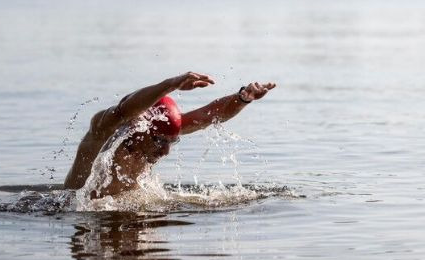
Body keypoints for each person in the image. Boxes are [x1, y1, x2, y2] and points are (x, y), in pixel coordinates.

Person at [63, 72, 275, 198]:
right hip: (79, 218)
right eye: (159, 141)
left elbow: (209, 115)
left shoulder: (158, 130)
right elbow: (124, 109)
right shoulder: (105, 130)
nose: (165, 152)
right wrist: (170, 85)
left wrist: (243, 98)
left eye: (172, 142)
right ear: (142, 128)